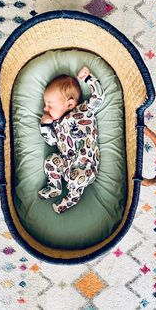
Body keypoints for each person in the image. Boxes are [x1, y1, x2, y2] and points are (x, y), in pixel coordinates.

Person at [38, 66, 105, 214]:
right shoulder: (56, 123)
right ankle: (55, 186)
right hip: (66, 163)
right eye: (45, 105)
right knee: (50, 160)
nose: (45, 108)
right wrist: (44, 126)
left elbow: (99, 97)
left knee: (77, 179)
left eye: (50, 105)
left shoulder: (84, 111)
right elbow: (51, 142)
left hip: (85, 167)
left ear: (70, 104)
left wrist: (88, 78)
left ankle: (71, 198)